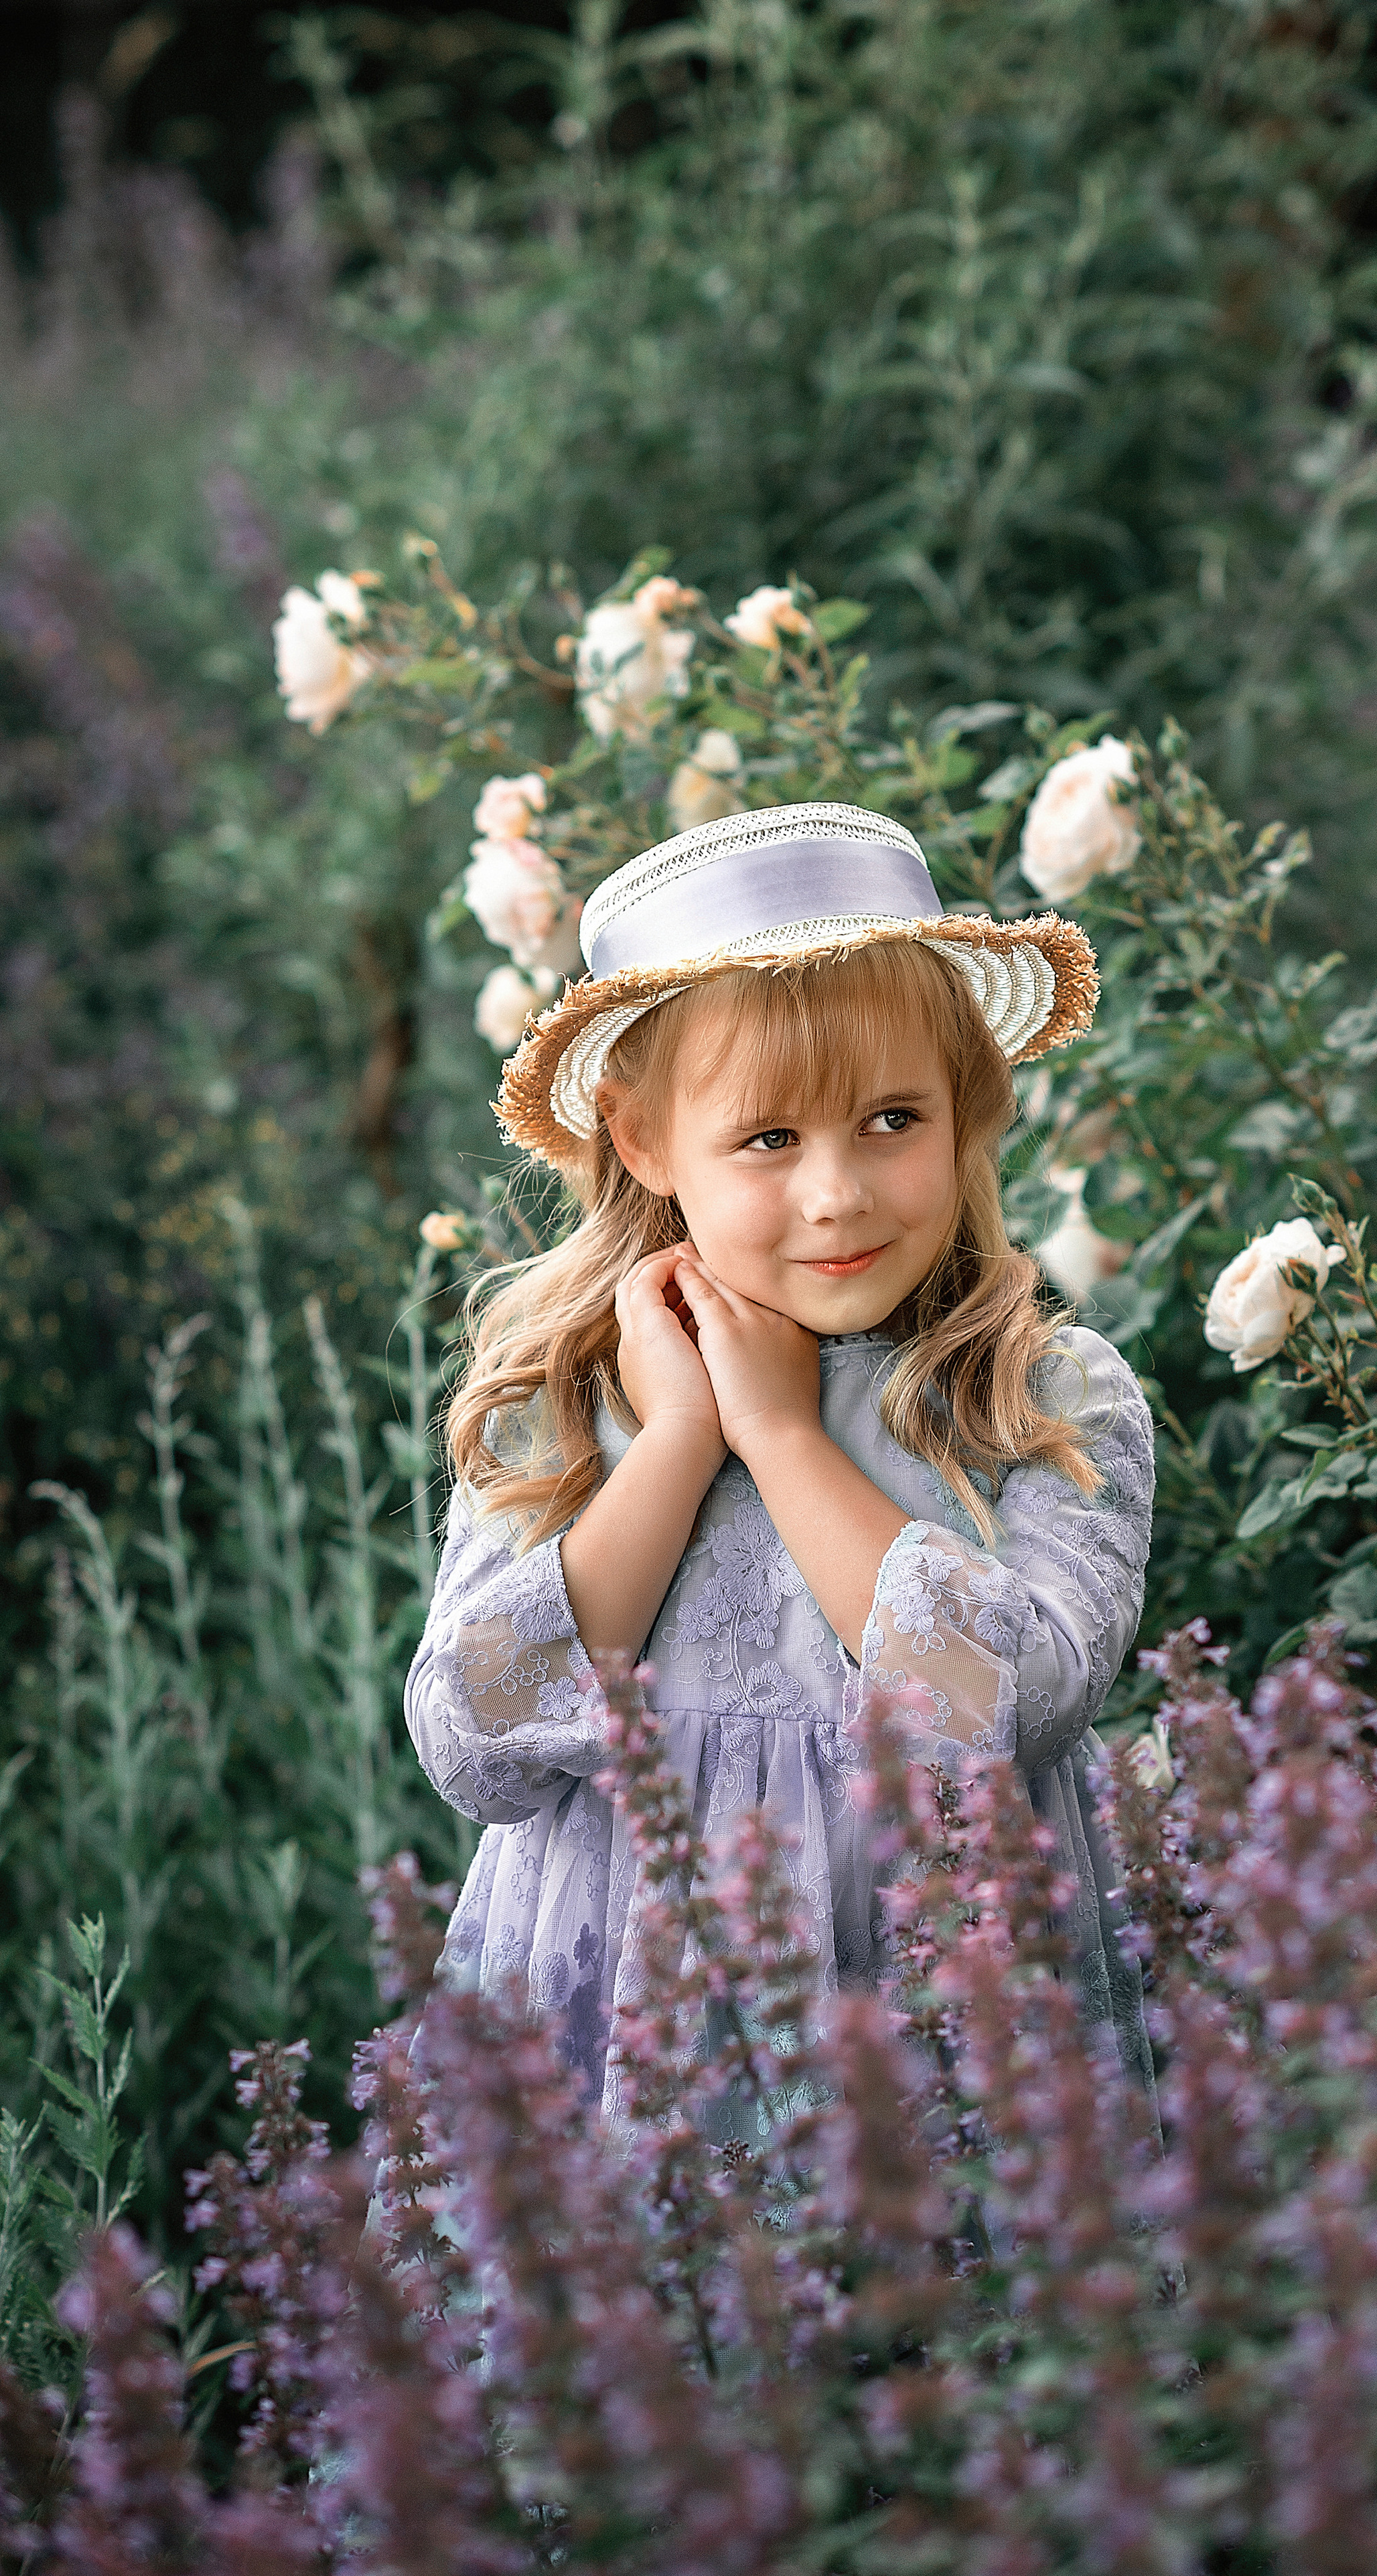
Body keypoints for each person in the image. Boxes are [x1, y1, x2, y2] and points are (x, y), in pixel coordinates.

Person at [404, 800, 1156, 2113]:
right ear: (642, 1141)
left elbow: (1013, 1702)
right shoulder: (563, 1408)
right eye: (767, 1137)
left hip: (941, 2067)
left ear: (966, 1104)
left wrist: (781, 1432)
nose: (836, 1193)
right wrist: (679, 1441)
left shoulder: (1039, 1398)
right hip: (632, 2079)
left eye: (890, 1119)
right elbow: (479, 1740)